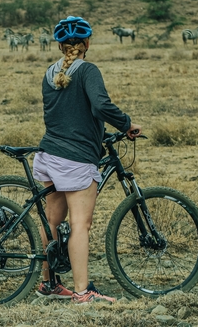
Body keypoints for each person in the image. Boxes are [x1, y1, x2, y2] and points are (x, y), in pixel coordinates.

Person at [34, 16, 141, 303]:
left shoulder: (48, 74)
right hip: (76, 159)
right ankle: (83, 292)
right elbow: (101, 105)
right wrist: (126, 124)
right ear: (87, 44)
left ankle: (49, 285)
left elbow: (65, 113)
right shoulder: (88, 70)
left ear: (59, 45)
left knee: (52, 223)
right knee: (81, 224)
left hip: (48, 155)